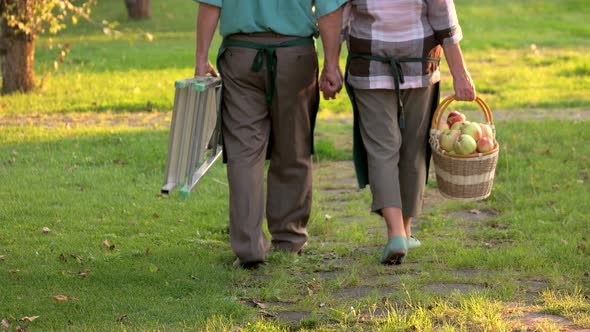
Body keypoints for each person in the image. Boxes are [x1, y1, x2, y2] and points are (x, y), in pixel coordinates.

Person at [194, 0, 346, 268]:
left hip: (241, 56)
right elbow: (330, 9)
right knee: (294, 148)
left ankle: (249, 248)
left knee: (244, 153)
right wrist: (331, 63)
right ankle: (288, 239)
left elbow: (210, 3)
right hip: (294, 55)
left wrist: (201, 59)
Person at [342, 1, 476, 264]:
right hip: (420, 65)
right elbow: (443, 17)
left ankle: (396, 234)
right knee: (414, 148)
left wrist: (331, 67)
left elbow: (339, 13)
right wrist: (460, 74)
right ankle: (404, 230)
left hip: (368, 65)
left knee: (382, 149)